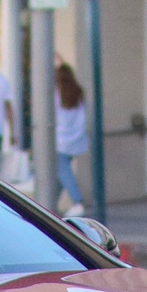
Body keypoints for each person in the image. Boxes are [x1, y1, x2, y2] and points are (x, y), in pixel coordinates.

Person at [53, 61, 89, 215]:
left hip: (59, 140)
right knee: (61, 172)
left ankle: (77, 201)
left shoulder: (55, 94)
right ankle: (48, 206)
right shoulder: (78, 93)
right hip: (75, 139)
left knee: (63, 171)